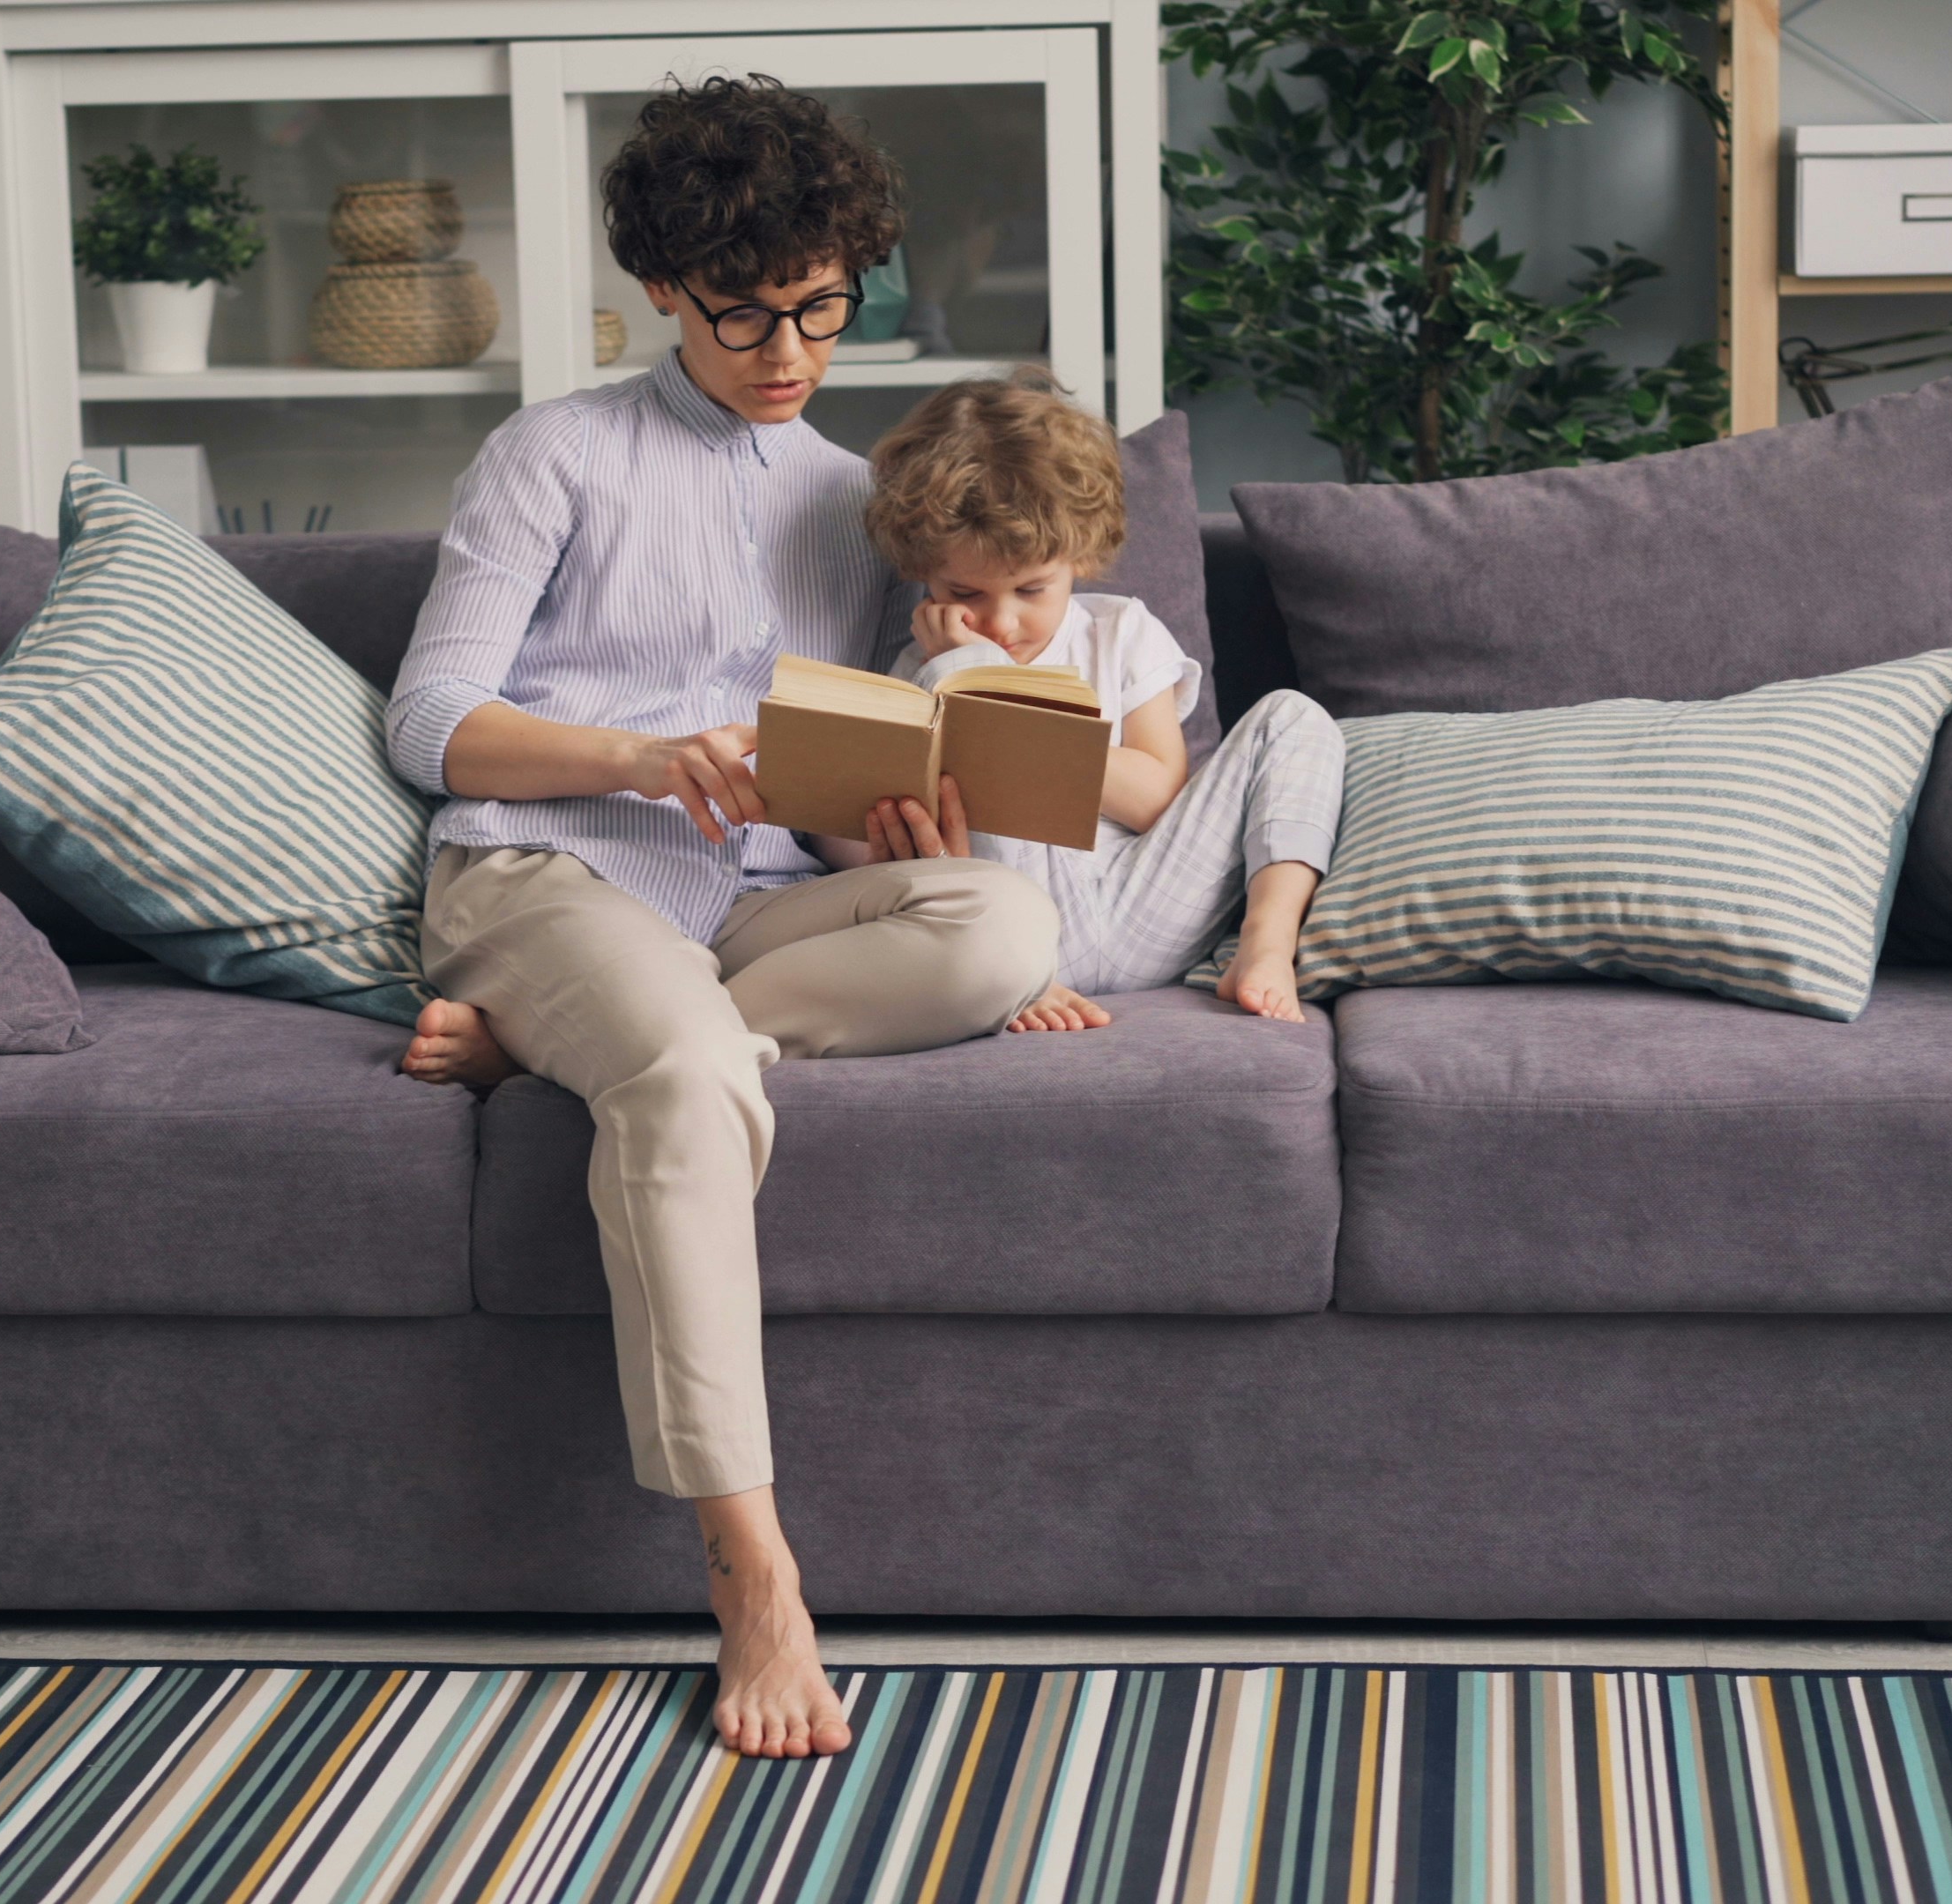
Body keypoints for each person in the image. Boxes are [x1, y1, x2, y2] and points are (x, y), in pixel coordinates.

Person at [383, 78, 1059, 1761]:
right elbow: (429, 720)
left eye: (823, 309)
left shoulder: (855, 496)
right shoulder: (552, 453)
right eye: (747, 313)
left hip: (747, 906)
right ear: (663, 289)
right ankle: (756, 1577)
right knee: (687, 1079)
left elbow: (826, 784)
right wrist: (638, 755)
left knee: (1000, 929)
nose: (789, 350)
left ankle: (580, 1052)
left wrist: (882, 817)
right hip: (547, 869)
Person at [860, 371, 1345, 1026]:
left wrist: (1002, 704)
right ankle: (1009, 976)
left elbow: (1155, 802)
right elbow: (899, 840)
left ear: (1079, 557)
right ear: (923, 574)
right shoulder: (926, 665)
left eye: (1031, 590)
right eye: (963, 594)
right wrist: (962, 674)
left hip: (1149, 904)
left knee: (1293, 717)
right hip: (1010, 931)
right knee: (963, 762)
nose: (1001, 623)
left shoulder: (1120, 632)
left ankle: (1266, 942)